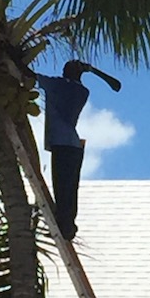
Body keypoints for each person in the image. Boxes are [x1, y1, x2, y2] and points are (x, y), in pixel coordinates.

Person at [34, 60, 91, 240]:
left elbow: (29, 76)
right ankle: (68, 225)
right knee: (70, 188)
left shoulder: (57, 84)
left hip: (61, 143)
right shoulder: (82, 91)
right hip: (74, 145)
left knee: (62, 186)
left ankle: (64, 224)